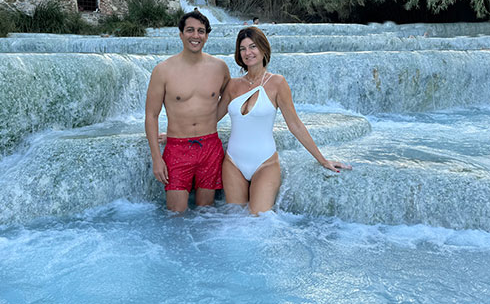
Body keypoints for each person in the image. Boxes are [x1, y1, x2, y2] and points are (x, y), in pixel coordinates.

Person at [217, 26, 350, 214]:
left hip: (265, 163)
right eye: (243, 48)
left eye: (252, 46)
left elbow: (294, 124)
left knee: (259, 220)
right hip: (232, 163)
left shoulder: (277, 83)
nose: (248, 52)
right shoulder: (232, 85)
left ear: (263, 49)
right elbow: (211, 118)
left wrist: (322, 159)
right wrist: (175, 133)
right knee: (234, 222)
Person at [145, 11, 231, 212]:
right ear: (181, 34)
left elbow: (230, 96)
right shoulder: (163, 70)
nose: (196, 36)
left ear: (207, 36)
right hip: (177, 149)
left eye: (201, 31)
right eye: (190, 30)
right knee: (175, 216)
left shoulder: (219, 68)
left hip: (210, 147)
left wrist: (210, 120)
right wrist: (157, 158)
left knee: (206, 214)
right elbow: (151, 115)